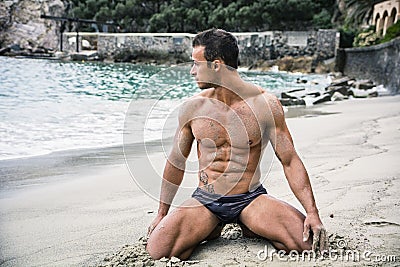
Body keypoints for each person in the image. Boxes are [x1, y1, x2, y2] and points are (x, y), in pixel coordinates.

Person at [146, 28, 328, 260]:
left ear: (216, 65)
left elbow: (289, 160)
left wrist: (312, 213)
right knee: (158, 251)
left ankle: (250, 224)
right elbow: (176, 162)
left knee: (309, 245)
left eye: (196, 64)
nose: (192, 71)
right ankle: (212, 225)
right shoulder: (192, 109)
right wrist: (162, 214)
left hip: (250, 199)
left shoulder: (265, 105)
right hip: (206, 200)